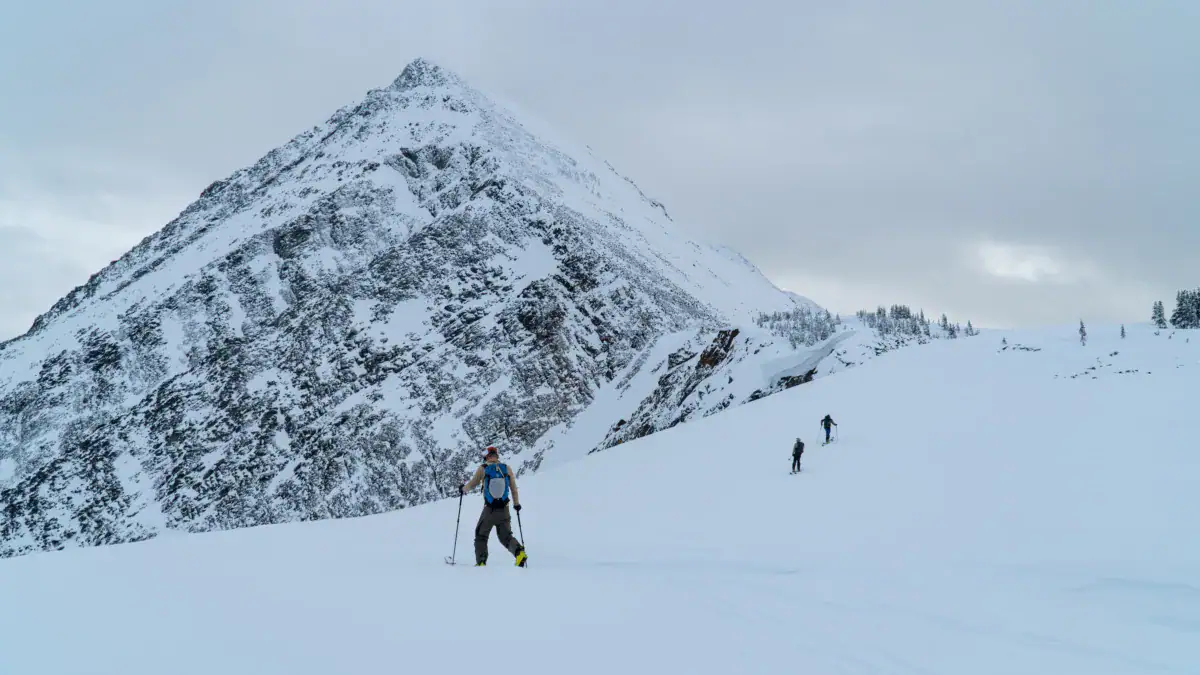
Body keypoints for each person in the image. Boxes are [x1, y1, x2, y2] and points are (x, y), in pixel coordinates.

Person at [459, 445, 528, 567]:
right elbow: (513, 488)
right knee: (506, 536)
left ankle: (481, 562)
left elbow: (473, 484)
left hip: (489, 510)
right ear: (496, 455)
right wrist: (516, 504)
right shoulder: (506, 468)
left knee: (481, 535)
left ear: (487, 456)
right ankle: (519, 553)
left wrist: (463, 489)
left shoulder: (483, 468)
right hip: (504, 509)